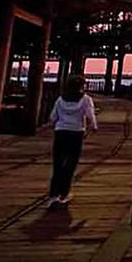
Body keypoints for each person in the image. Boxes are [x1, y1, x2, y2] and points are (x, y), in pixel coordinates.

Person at [47, 74, 98, 206]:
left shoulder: (60, 99)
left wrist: (52, 123)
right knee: (71, 164)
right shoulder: (86, 99)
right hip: (76, 132)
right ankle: (64, 193)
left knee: (58, 163)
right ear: (82, 86)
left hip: (60, 132)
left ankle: (53, 195)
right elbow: (90, 115)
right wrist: (94, 126)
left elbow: (53, 117)